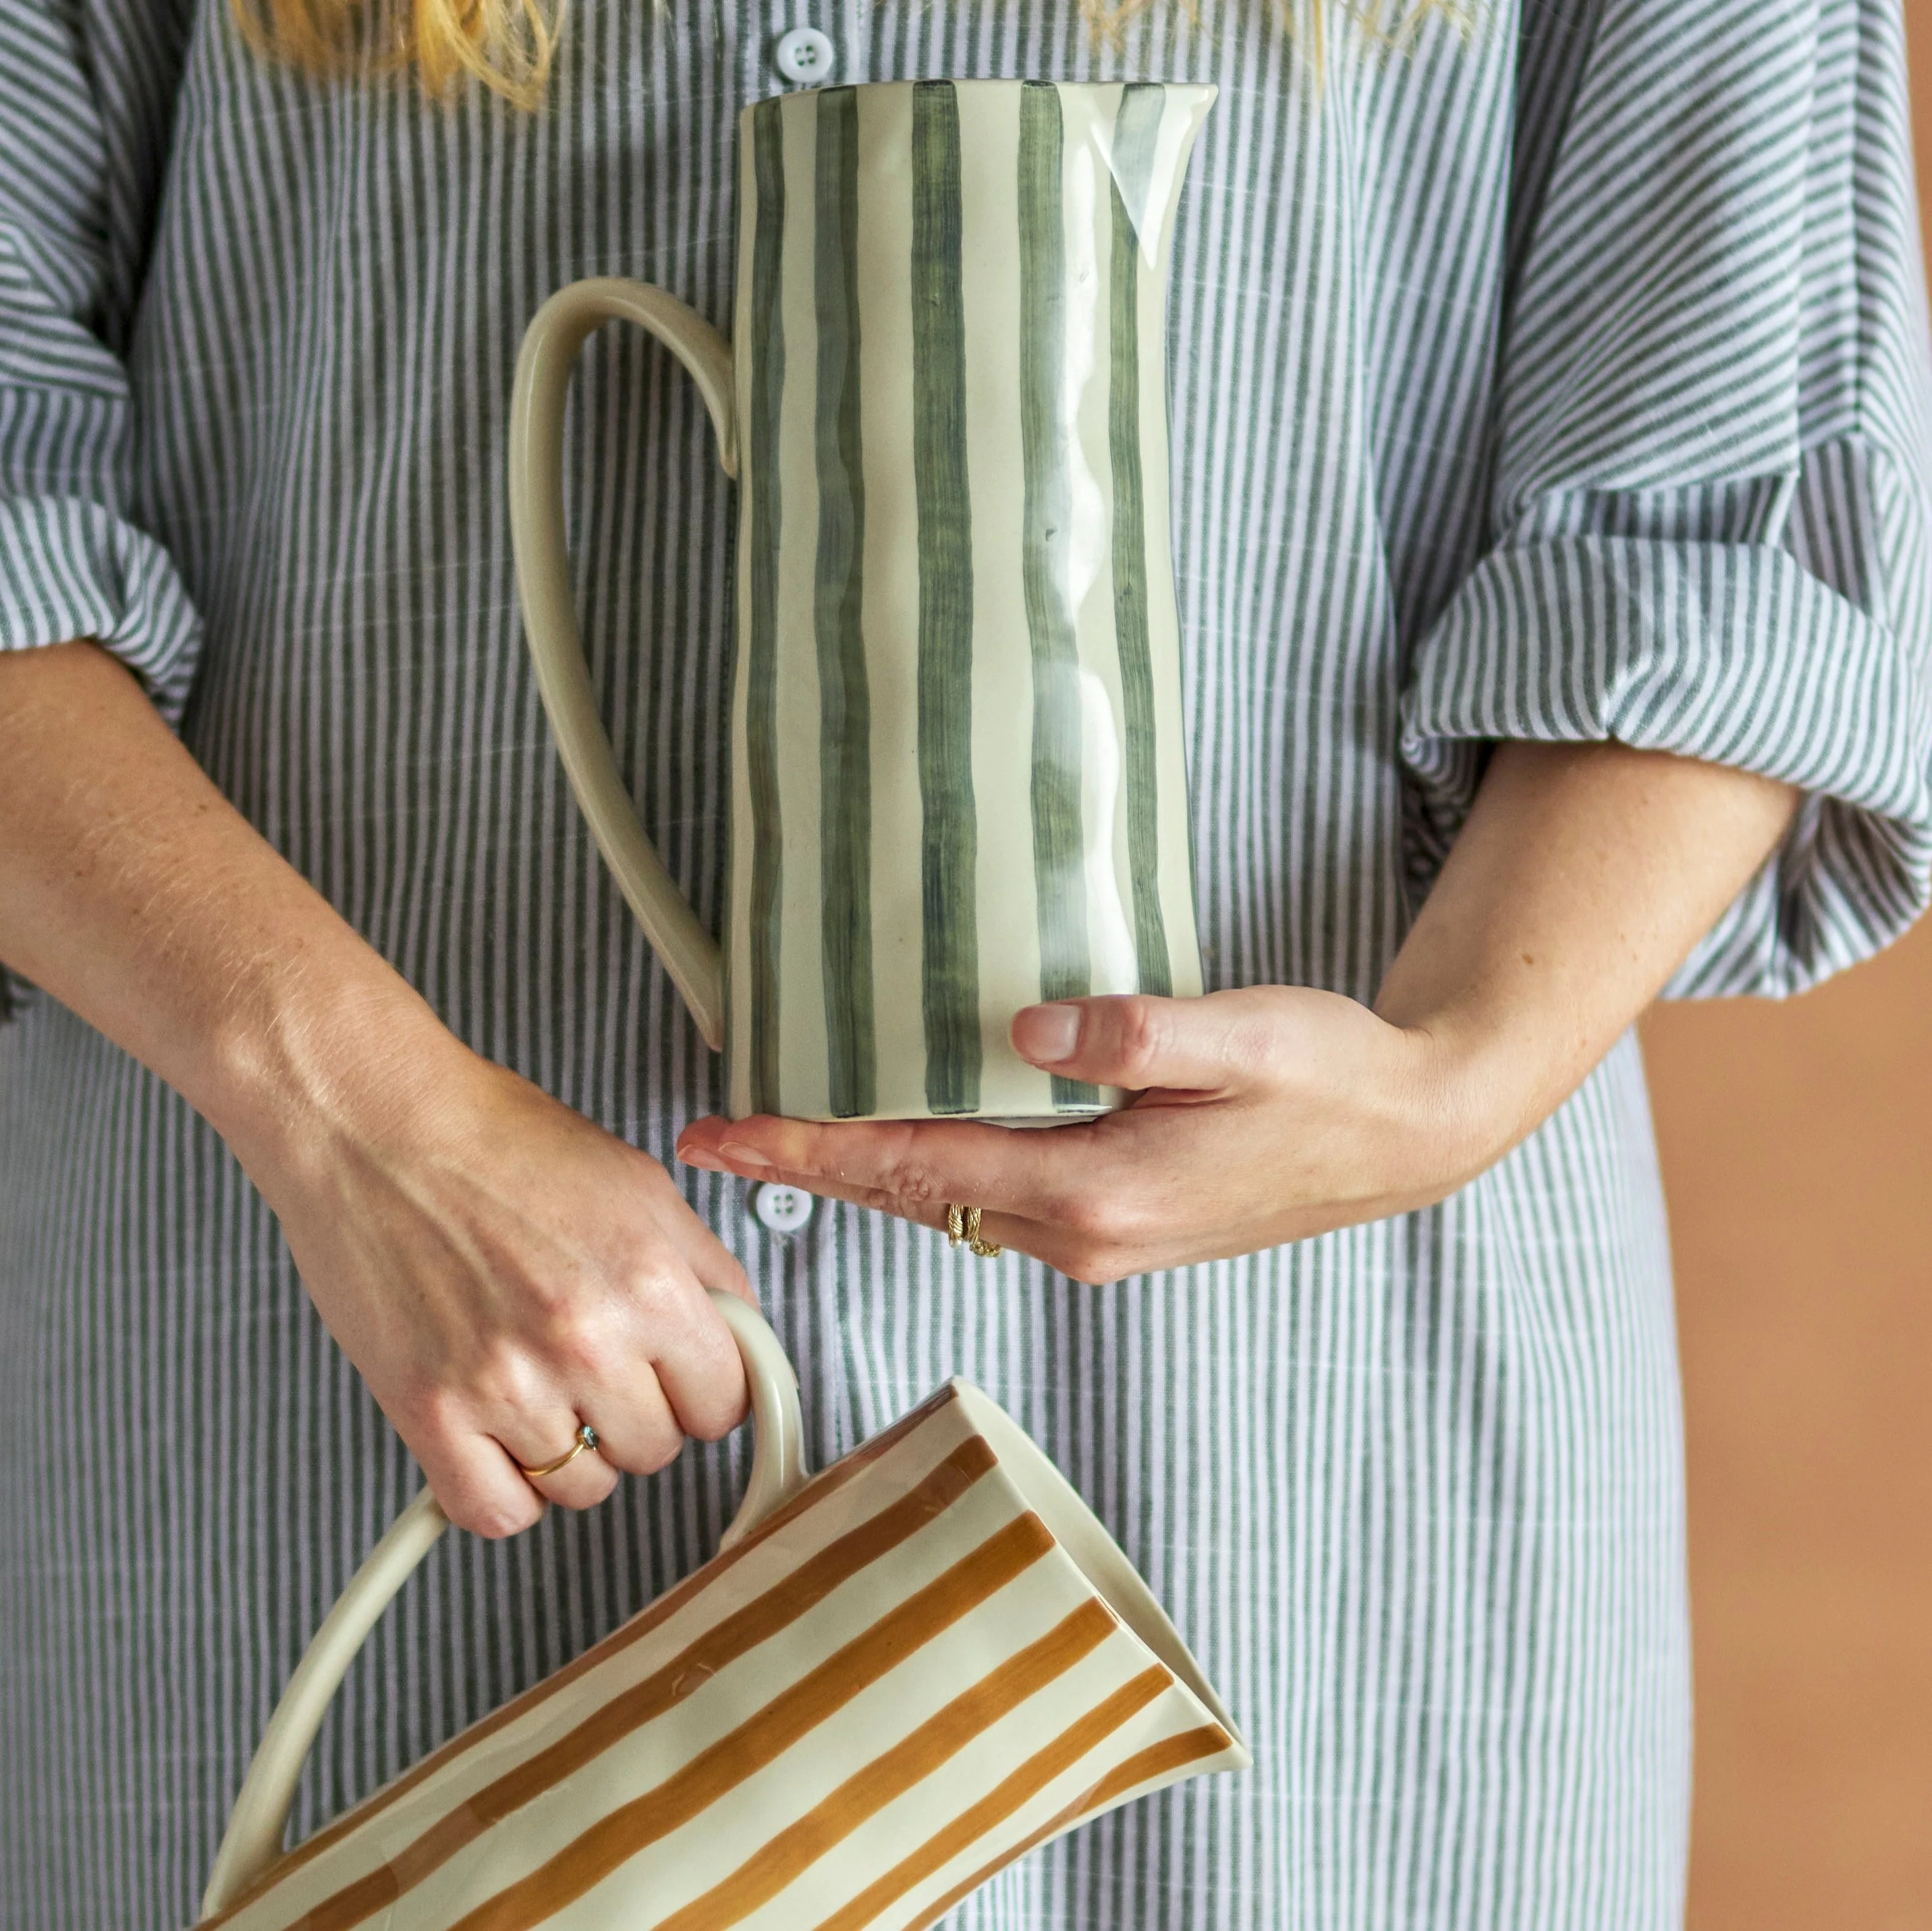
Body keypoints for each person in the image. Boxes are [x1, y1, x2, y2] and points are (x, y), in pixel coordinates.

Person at [2, 0, 1929, 1922]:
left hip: (1288, 1435)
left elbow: (1731, 483)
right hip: (342, 1360)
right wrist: (354, 1111)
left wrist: (1455, 1072)